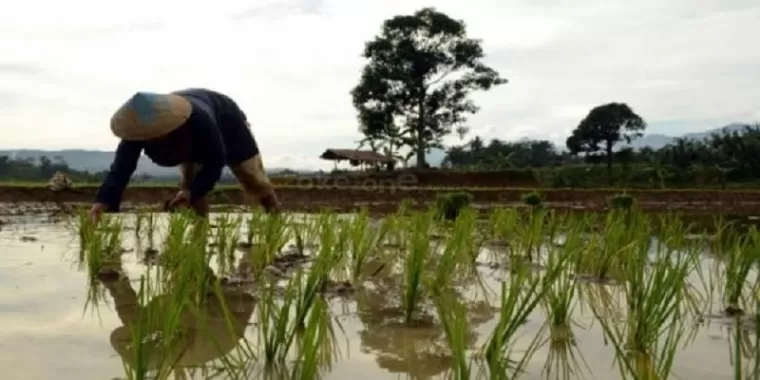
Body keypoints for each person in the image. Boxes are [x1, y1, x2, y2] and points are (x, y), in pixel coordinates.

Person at [88, 88, 280, 223]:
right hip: (186, 140)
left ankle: (275, 216)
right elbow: (121, 169)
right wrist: (102, 203)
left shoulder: (200, 121)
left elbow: (216, 159)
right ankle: (200, 227)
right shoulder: (137, 130)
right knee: (190, 181)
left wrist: (193, 191)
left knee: (252, 175)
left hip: (227, 118)